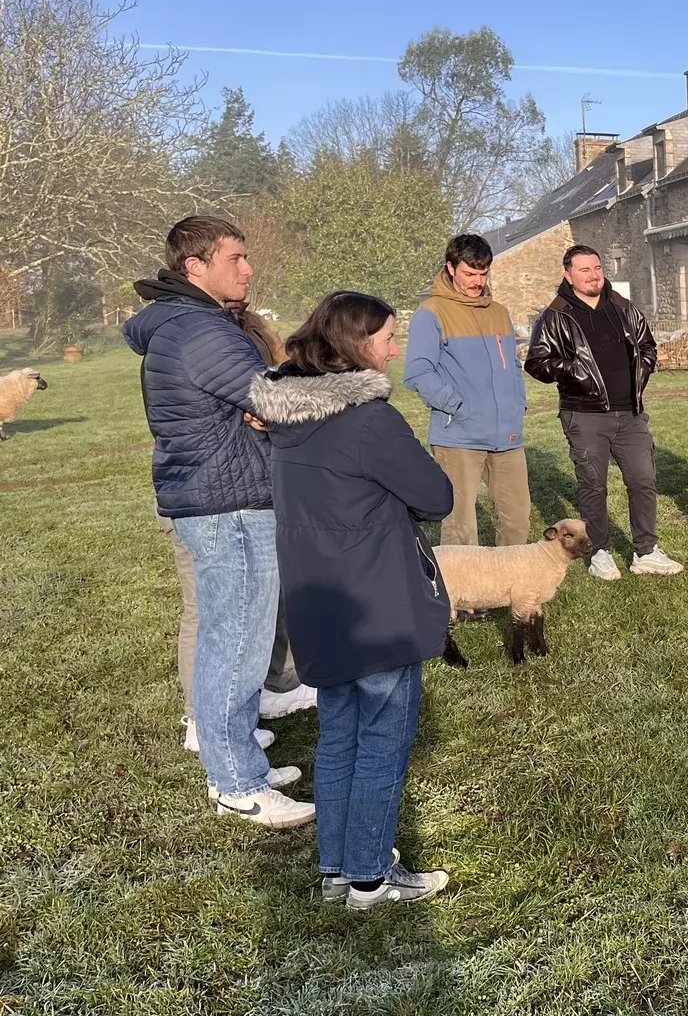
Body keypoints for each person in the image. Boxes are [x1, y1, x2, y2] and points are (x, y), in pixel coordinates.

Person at [252, 292, 456, 910]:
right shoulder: (370, 420)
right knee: (383, 738)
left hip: (320, 602)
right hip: (378, 604)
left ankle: (338, 867)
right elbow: (436, 495)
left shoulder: (287, 419)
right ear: (354, 345)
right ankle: (370, 875)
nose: (395, 350)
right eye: (387, 339)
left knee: (339, 734)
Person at [124, 216, 312, 827]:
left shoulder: (191, 326)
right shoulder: (200, 330)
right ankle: (236, 780)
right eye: (235, 258)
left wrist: (257, 409)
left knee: (236, 637)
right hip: (226, 501)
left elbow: (257, 400)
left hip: (223, 493)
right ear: (194, 268)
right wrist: (357, 386)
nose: (248, 268)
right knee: (233, 640)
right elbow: (279, 400)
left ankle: (238, 759)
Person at [166, 284, 314, 762]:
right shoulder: (192, 337)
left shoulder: (233, 329)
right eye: (236, 260)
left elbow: (267, 398)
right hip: (207, 497)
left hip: (243, 486)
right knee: (209, 614)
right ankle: (201, 721)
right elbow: (253, 404)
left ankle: (259, 695)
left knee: (255, 607)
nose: (247, 273)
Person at [524, 245, 681, 580]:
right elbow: (536, 362)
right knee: (593, 485)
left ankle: (646, 551)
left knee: (643, 480)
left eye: (597, 268)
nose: (593, 275)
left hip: (631, 412)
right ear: (568, 275)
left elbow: (648, 346)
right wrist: (572, 370)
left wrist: (645, 367)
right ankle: (600, 551)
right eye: (584, 270)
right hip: (585, 414)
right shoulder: (556, 314)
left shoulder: (623, 307)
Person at [403, 234, 531, 550]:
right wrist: (457, 406)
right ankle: (465, 599)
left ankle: (512, 593)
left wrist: (518, 403)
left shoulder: (499, 312)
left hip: (507, 435)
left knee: (517, 520)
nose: (477, 281)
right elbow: (419, 372)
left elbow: (513, 365)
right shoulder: (430, 313)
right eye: (470, 273)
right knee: (461, 529)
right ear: (451, 268)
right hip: (458, 437)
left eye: (483, 273)